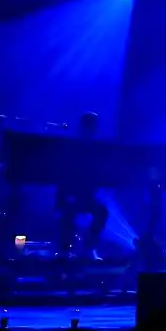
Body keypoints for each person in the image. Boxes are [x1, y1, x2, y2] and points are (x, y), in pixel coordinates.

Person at [57, 111, 109, 260]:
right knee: (67, 214)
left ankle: (89, 247)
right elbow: (63, 173)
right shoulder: (72, 148)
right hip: (70, 194)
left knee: (102, 212)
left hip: (86, 195)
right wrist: (64, 196)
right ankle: (65, 250)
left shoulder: (96, 149)